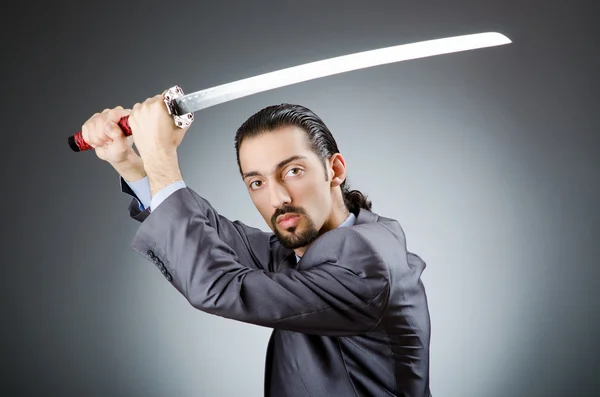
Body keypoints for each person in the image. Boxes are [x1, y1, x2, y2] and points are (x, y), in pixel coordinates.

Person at [82, 94, 433, 396]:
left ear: (335, 170)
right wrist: (132, 164)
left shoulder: (363, 262)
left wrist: (161, 155)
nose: (278, 198)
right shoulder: (307, 251)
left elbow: (217, 286)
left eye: (293, 171)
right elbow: (214, 236)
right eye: (257, 182)